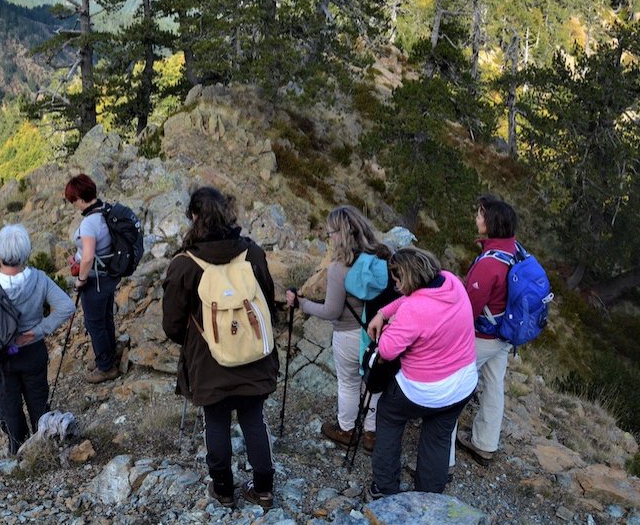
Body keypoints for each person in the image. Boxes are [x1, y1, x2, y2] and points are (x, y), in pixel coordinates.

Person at [162, 186, 280, 510]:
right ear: (228, 214)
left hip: (209, 362)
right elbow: (267, 304)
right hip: (254, 353)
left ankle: (224, 490)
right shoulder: (253, 253)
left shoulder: (184, 265)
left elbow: (171, 325)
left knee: (215, 422)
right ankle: (264, 489)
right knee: (253, 418)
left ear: (195, 217)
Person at [366, 247, 477, 497]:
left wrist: (387, 322)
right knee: (438, 438)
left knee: (389, 414)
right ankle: (429, 499)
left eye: (397, 280)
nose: (395, 285)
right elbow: (412, 297)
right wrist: (385, 312)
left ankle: (384, 487)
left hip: (423, 390)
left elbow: (387, 349)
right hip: (462, 384)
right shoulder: (451, 282)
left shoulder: (414, 309)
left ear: (407, 277)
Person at [0, 223, 74, 454]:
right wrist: (39, 330)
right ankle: (44, 450)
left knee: (9, 407)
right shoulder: (39, 279)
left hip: (0, 357)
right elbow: (66, 307)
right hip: (32, 351)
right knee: (39, 401)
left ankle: (17, 451)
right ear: (26, 252)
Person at [284, 205, 392, 450]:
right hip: (376, 332)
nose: (329, 237)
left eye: (331, 232)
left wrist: (302, 304)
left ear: (341, 234)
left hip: (348, 333)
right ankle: (371, 434)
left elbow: (331, 311)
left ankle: (346, 429)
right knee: (373, 382)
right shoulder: (381, 258)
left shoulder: (339, 268)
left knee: (349, 382)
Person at [457, 194, 519, 464]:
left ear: (491, 222)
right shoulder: (515, 250)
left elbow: (469, 308)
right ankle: (485, 444)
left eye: (480, 214)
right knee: (494, 386)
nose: (476, 218)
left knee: (455, 385)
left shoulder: (490, 263)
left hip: (483, 335)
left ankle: (441, 456)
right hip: (505, 333)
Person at [64, 173, 121, 383]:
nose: (74, 205)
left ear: (80, 198)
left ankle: (106, 367)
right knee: (106, 319)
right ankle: (107, 356)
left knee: (95, 323)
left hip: (95, 279)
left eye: (73, 201)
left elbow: (88, 256)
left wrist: (81, 279)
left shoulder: (89, 223)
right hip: (108, 276)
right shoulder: (105, 211)